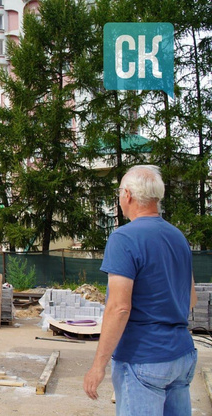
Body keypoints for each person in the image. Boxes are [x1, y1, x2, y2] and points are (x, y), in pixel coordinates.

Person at [83, 165, 197, 415]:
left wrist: (98, 366)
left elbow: (119, 307)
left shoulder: (124, 238)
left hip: (143, 357)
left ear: (128, 195)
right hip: (182, 355)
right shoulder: (179, 238)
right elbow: (190, 299)